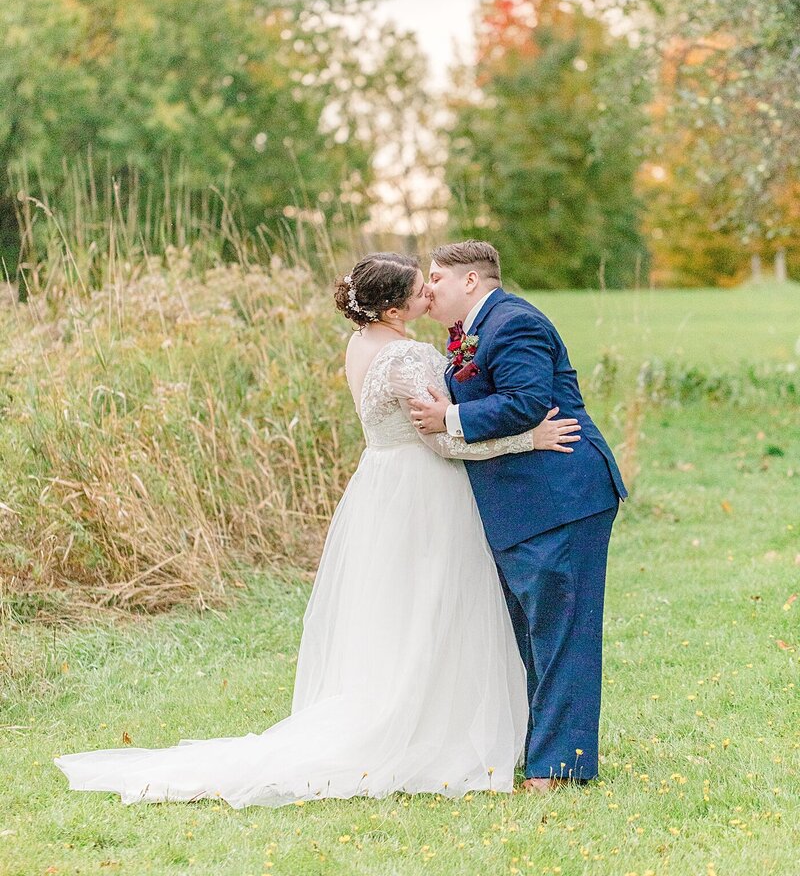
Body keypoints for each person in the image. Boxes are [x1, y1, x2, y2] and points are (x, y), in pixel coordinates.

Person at [53, 251, 581, 806]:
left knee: (400, 613)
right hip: (425, 489)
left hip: (382, 487)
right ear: (395, 306)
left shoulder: (360, 346)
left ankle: (438, 716)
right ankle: (433, 729)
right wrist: (530, 438)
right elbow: (442, 438)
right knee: (434, 607)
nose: (431, 295)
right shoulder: (407, 356)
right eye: (423, 288)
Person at [409, 240, 627, 792]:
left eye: (437, 276)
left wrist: (450, 416)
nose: (427, 287)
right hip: (521, 502)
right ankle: (539, 752)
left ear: (472, 283)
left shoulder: (514, 324)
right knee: (531, 634)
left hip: (560, 496)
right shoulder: (471, 332)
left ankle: (559, 768)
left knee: (561, 634)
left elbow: (528, 401)